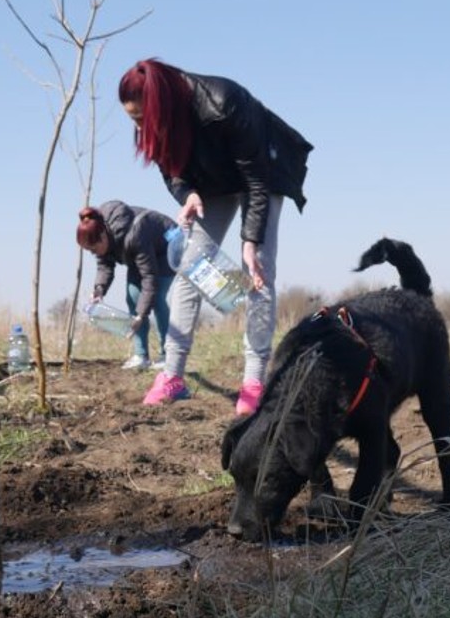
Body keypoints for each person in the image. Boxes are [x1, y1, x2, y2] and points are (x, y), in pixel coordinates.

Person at [118, 58, 313, 411]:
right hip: (215, 183)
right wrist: (187, 194)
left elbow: (255, 180)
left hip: (261, 175)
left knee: (258, 273)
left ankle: (254, 380)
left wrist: (250, 242)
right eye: (133, 119)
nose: (139, 126)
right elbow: (171, 172)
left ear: (161, 103)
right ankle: (172, 375)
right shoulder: (152, 124)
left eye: (141, 117)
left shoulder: (222, 102)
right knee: (191, 265)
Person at [76, 201, 177, 370]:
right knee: (132, 296)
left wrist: (140, 315)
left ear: (102, 236)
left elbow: (149, 279)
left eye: (93, 249)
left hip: (166, 247)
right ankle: (141, 356)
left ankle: (168, 355)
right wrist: (99, 290)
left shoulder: (134, 235)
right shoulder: (103, 235)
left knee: (157, 298)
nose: (93, 253)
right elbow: (104, 266)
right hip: (139, 255)